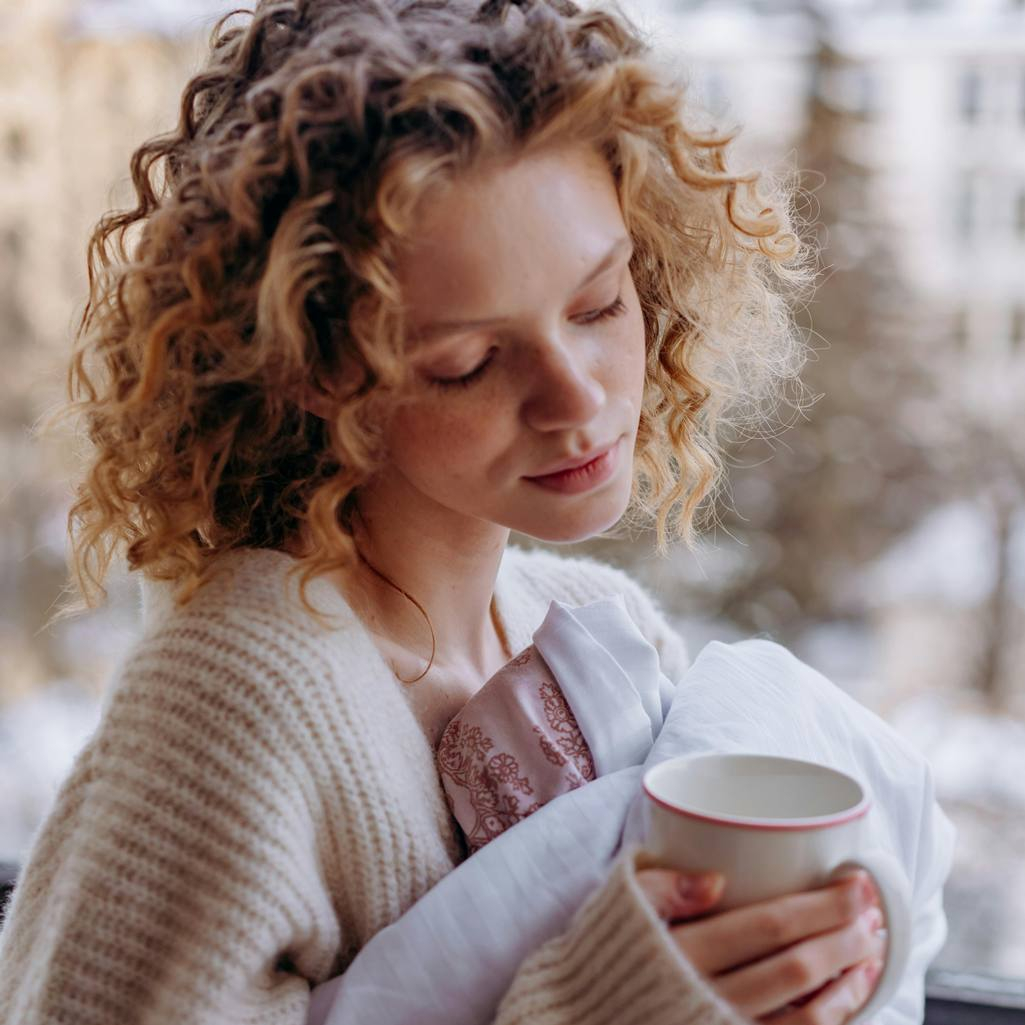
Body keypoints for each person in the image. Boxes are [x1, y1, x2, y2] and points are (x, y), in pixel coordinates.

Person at [0, 0, 897, 1022]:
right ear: (311, 372)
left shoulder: (597, 628)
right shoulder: (231, 707)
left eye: (600, 303)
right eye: (467, 362)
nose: (579, 397)